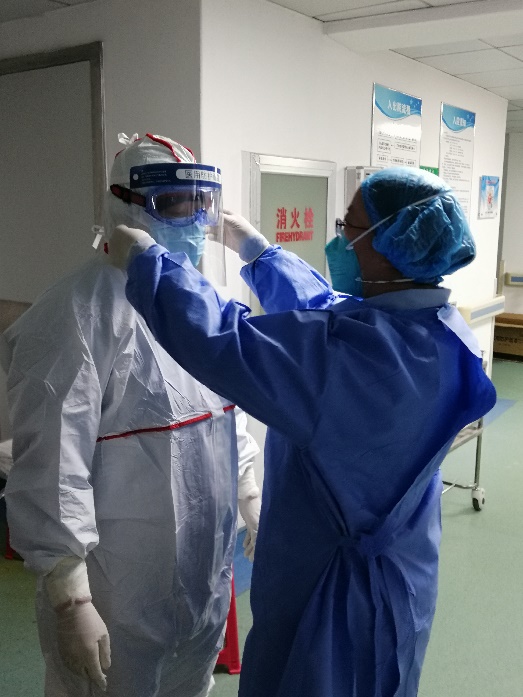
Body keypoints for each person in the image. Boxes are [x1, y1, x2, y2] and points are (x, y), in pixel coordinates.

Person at [108, 167, 496, 697]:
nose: (340, 239)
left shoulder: (350, 363)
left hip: (336, 593)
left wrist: (149, 265)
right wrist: (261, 254)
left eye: (348, 227)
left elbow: (228, 340)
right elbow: (330, 312)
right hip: (402, 570)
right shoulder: (436, 330)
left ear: (388, 247)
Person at [2, 133, 261, 697]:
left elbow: (228, 414)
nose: (194, 219)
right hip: (115, 592)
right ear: (125, 206)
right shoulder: (75, 312)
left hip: (203, 575)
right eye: (175, 203)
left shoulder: (202, 301)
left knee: (191, 685)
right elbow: (52, 467)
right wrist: (70, 596)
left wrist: (248, 493)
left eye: (202, 203)